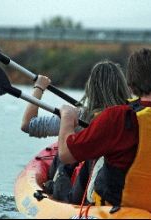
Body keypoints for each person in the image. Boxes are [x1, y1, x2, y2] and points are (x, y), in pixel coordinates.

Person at [58, 48, 151, 213]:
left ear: (131, 87)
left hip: (121, 211)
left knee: (89, 160)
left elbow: (65, 155)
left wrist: (66, 117)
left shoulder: (118, 117)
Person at [21, 60, 131, 204]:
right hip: (117, 186)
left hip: (92, 188)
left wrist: (39, 87)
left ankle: (54, 189)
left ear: (91, 88)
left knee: (64, 152)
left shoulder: (80, 116)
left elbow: (28, 124)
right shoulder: (132, 116)